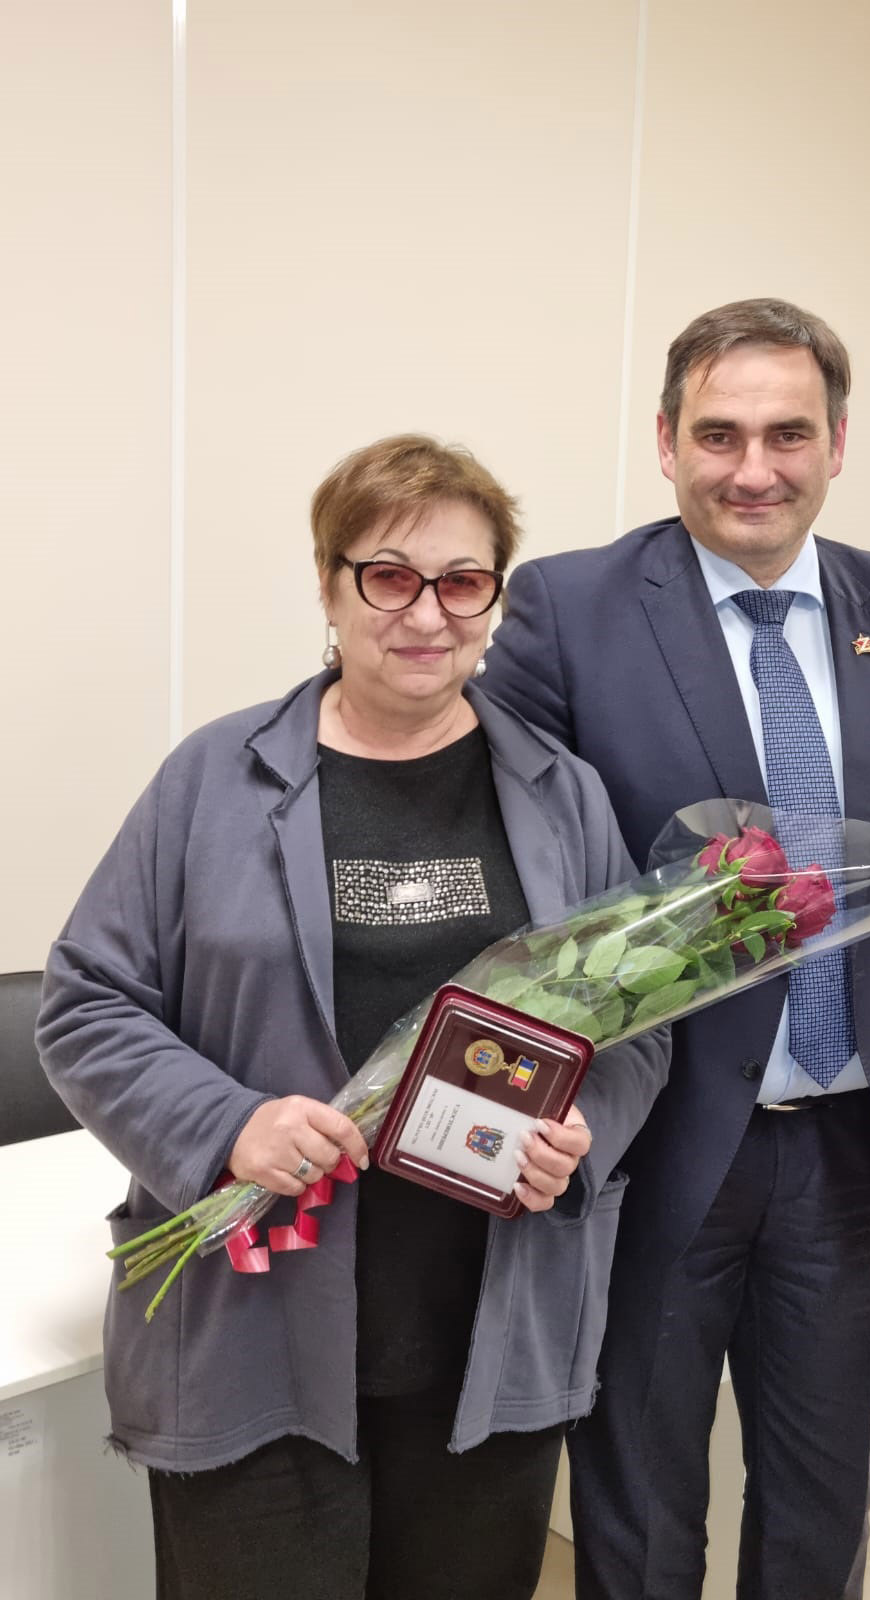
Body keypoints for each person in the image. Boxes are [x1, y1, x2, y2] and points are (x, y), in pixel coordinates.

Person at [36, 434, 670, 1600]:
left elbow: (635, 1026)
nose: (426, 613)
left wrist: (580, 1139)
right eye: (388, 575)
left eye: (462, 580)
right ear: (330, 587)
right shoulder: (210, 780)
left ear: (493, 601)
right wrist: (229, 1126)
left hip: (487, 1329)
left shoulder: (561, 795)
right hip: (256, 1325)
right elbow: (84, 1002)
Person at [483, 299, 870, 1599]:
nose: (754, 469)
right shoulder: (570, 609)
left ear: (838, 443)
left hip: (857, 1149)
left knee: (821, 1505)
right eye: (719, 434)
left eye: (788, 434)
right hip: (656, 1144)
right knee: (639, 1507)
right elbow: (516, 888)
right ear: (666, 441)